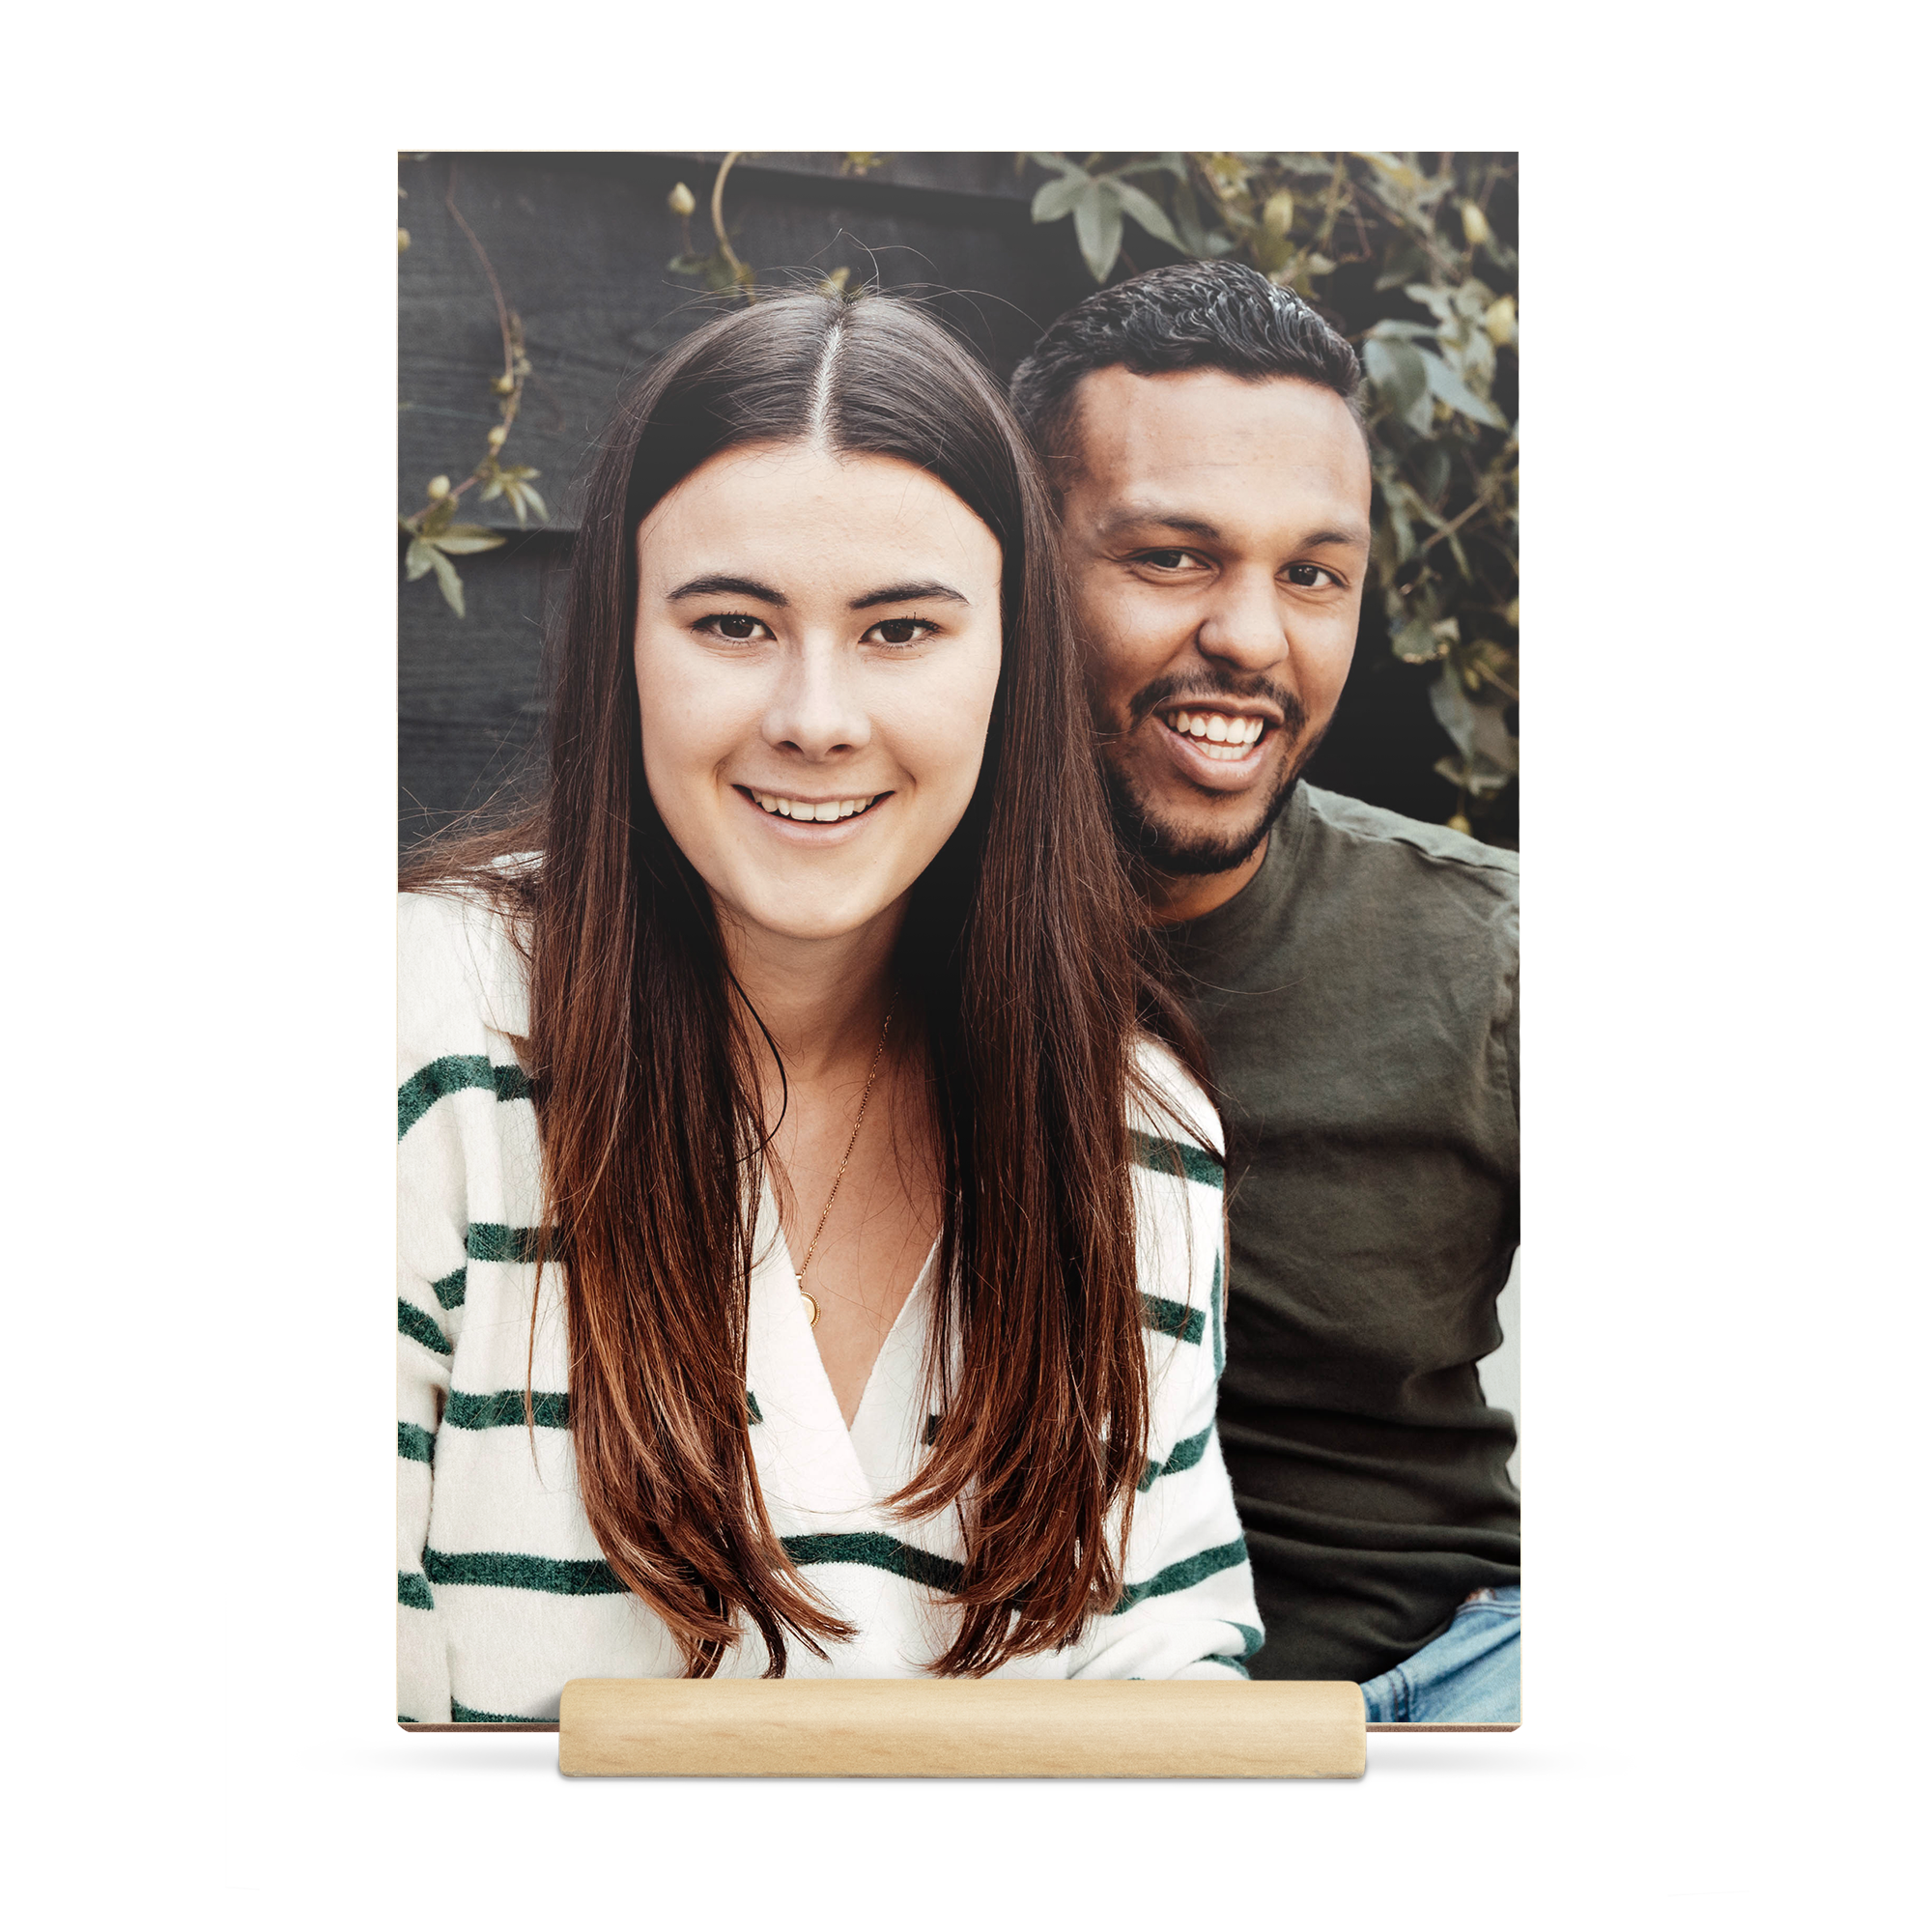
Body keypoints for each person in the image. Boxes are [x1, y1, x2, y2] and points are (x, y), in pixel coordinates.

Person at [395, 289, 1259, 1722]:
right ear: (622, 644)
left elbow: (1169, 1703)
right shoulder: (422, 1037)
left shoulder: (1138, 1139)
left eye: (900, 631)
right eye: (732, 622)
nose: (814, 715)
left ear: (1012, 661)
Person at [1010, 261, 1520, 1723]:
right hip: (1055, 1717)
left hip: (1439, 1675)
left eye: (1313, 574)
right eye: (1172, 556)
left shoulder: (1485, 960)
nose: (1252, 635)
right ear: (1014, 561)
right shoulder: (860, 914)